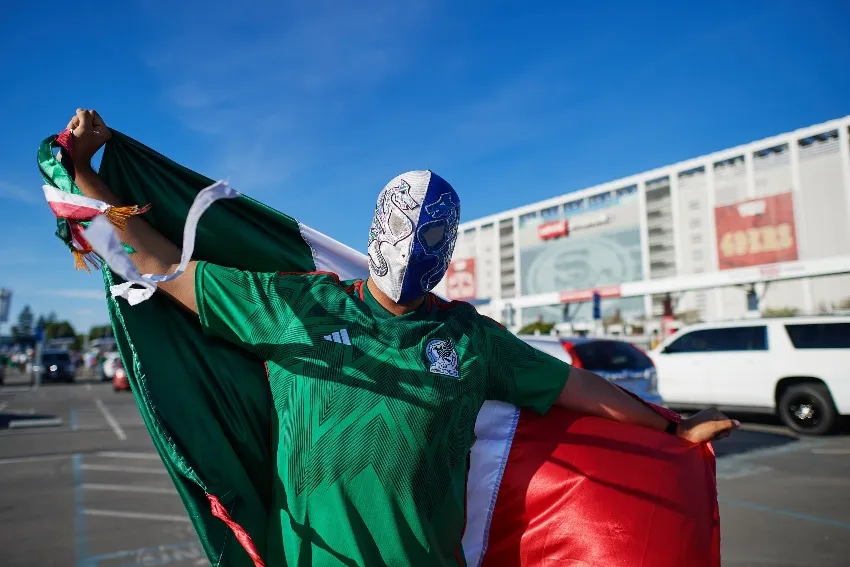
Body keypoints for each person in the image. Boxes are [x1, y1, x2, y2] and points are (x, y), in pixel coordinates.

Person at [66, 108, 738, 566]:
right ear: (372, 230)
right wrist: (88, 178)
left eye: (434, 233)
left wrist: (667, 429)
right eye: (401, 223)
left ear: (449, 249)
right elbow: (160, 262)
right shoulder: (295, 305)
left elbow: (575, 386)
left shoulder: (470, 340)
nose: (413, 242)